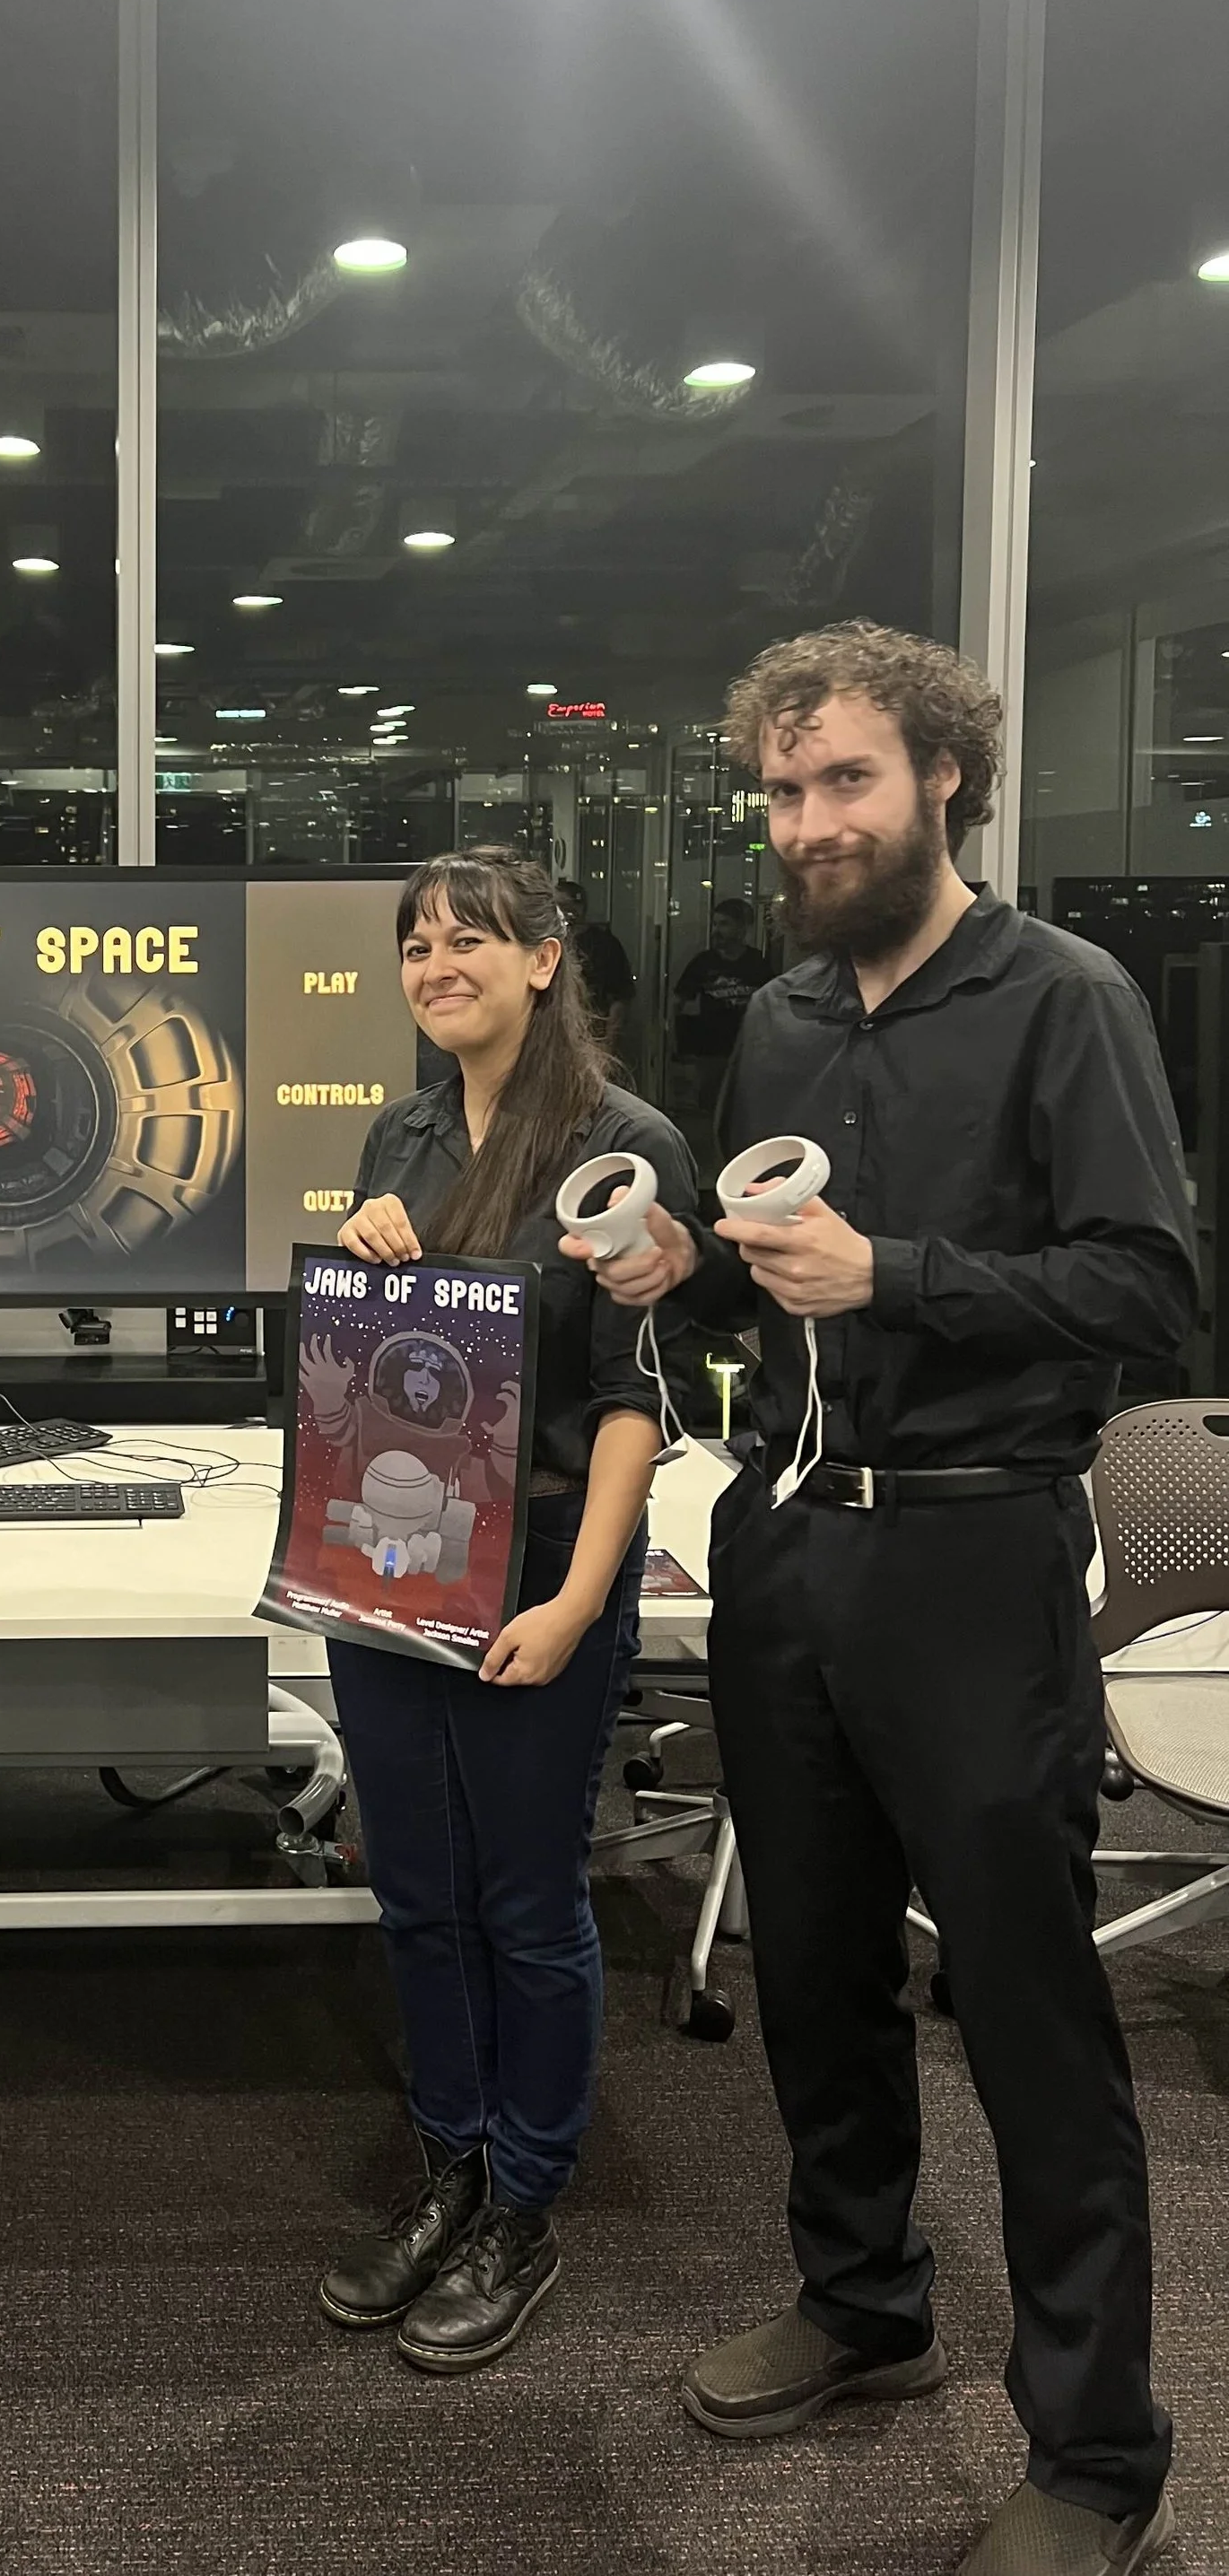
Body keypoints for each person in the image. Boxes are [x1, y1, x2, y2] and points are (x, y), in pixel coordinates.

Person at [573, 624, 1190, 2576]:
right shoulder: (781, 1016)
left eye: (841, 778)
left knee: (1021, 2001)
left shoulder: (1060, 996)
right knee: (813, 1966)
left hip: (973, 1546)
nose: (806, 820)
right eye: (778, 790)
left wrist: (901, 1274)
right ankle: (860, 2300)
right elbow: (775, 1280)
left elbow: (1147, 1292)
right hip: (787, 1537)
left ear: (942, 778)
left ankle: (1093, 2454)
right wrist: (693, 1267)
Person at [311, 844, 698, 2373]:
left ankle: (526, 2202)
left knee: (528, 1901)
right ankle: (452, 2164)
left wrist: (584, 1597)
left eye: (469, 936)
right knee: (415, 1888)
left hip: (540, 1561)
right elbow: (370, 1363)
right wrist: (356, 1264)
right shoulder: (397, 1133)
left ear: (545, 959)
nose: (436, 961)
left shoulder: (622, 1142)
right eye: (417, 941)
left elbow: (630, 1401)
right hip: (392, 1558)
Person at [668, 897, 775, 1169]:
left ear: (742, 928)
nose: (717, 930)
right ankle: (709, 1166)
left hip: (747, 1049)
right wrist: (679, 1042)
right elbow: (679, 1002)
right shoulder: (703, 963)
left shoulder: (757, 963)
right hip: (709, 1050)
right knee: (709, 1109)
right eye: (715, 923)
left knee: (742, 1111)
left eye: (725, 924)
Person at [553, 880, 635, 1059]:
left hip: (591, 1034)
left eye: (568, 907)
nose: (564, 914)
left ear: (581, 908)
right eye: (557, 906)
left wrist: (608, 1043)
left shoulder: (604, 944)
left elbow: (621, 996)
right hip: (551, 1032)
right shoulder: (546, 943)